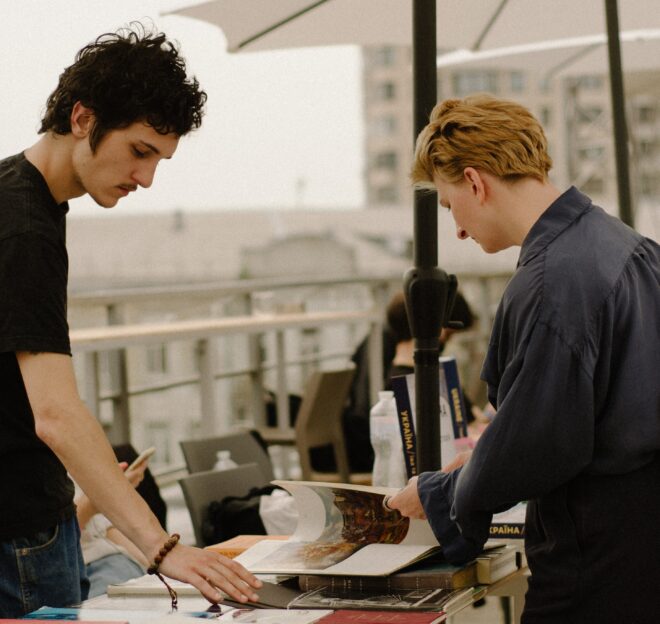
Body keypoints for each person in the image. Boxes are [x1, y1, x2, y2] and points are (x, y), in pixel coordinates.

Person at [0, 25, 261, 618]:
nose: (145, 178)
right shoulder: (25, 226)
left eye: (159, 161)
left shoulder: (19, 195)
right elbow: (56, 415)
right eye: (140, 151)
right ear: (84, 118)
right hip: (21, 538)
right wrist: (162, 547)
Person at [387, 94, 659, 624]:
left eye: (449, 206)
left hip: (598, 552)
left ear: (475, 181)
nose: (459, 229)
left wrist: (441, 491)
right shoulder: (626, 245)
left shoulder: (552, 279)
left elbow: (543, 441)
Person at [75, 460, 149, 598]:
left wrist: (153, 564)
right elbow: (61, 530)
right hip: (89, 566)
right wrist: (96, 500)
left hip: (118, 561)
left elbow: (105, 528)